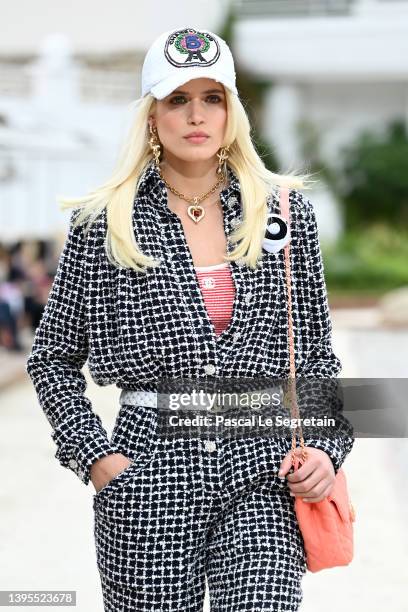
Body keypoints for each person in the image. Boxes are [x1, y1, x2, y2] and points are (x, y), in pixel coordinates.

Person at [26, 26, 354, 612]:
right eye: (177, 99)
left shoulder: (281, 212)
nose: (196, 115)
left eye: (213, 97)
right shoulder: (104, 224)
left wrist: (327, 447)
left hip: (263, 470)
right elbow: (51, 358)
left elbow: (316, 357)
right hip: (146, 477)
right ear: (152, 115)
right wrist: (97, 459)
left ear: (233, 113)